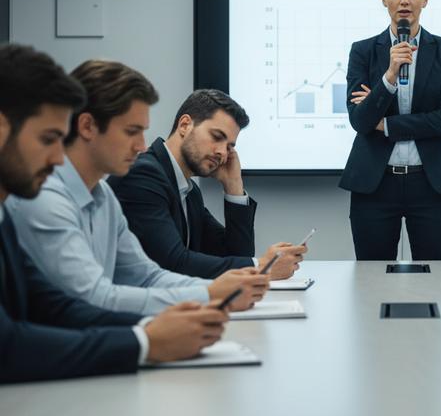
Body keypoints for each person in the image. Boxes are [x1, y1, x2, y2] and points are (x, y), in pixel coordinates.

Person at [0, 44, 228, 384]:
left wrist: (160, 326)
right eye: (49, 138)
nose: (58, 157)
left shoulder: (100, 194)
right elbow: (11, 345)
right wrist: (147, 340)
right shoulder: (41, 198)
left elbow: (53, 305)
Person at [9, 60, 268, 314]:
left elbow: (146, 276)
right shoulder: (45, 198)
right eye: (131, 131)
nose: (141, 146)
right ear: (87, 126)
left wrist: (215, 293)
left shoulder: (105, 197)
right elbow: (93, 297)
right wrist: (150, 337)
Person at [339, 0, 441, 260]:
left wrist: (387, 125)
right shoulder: (364, 51)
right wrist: (389, 76)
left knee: (437, 276)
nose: (404, 0)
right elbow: (360, 120)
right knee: (371, 276)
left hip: (431, 184)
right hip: (375, 184)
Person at [109, 89, 306, 279]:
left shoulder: (190, 192)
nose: (223, 152)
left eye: (230, 147)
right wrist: (261, 267)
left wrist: (234, 187)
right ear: (185, 125)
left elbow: (234, 254)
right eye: (217, 137)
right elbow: (172, 263)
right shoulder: (142, 175)